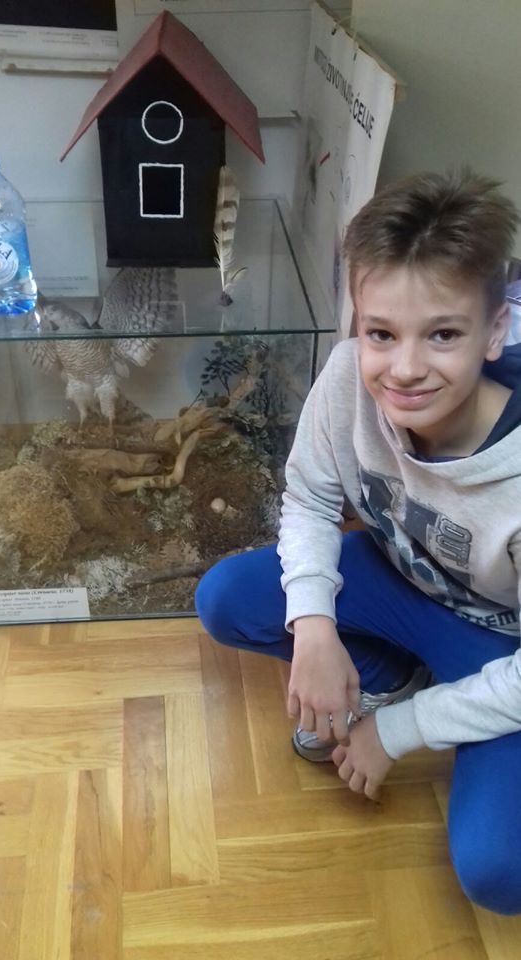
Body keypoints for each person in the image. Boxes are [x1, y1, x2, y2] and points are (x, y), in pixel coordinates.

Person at [195, 169, 521, 915]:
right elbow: (310, 496)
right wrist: (313, 628)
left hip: (501, 645)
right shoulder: (347, 376)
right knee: (228, 598)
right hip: (403, 580)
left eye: (443, 334)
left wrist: (395, 733)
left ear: (495, 330)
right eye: (381, 333)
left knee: (497, 872)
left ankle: (409, 696)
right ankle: (387, 672)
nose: (404, 369)